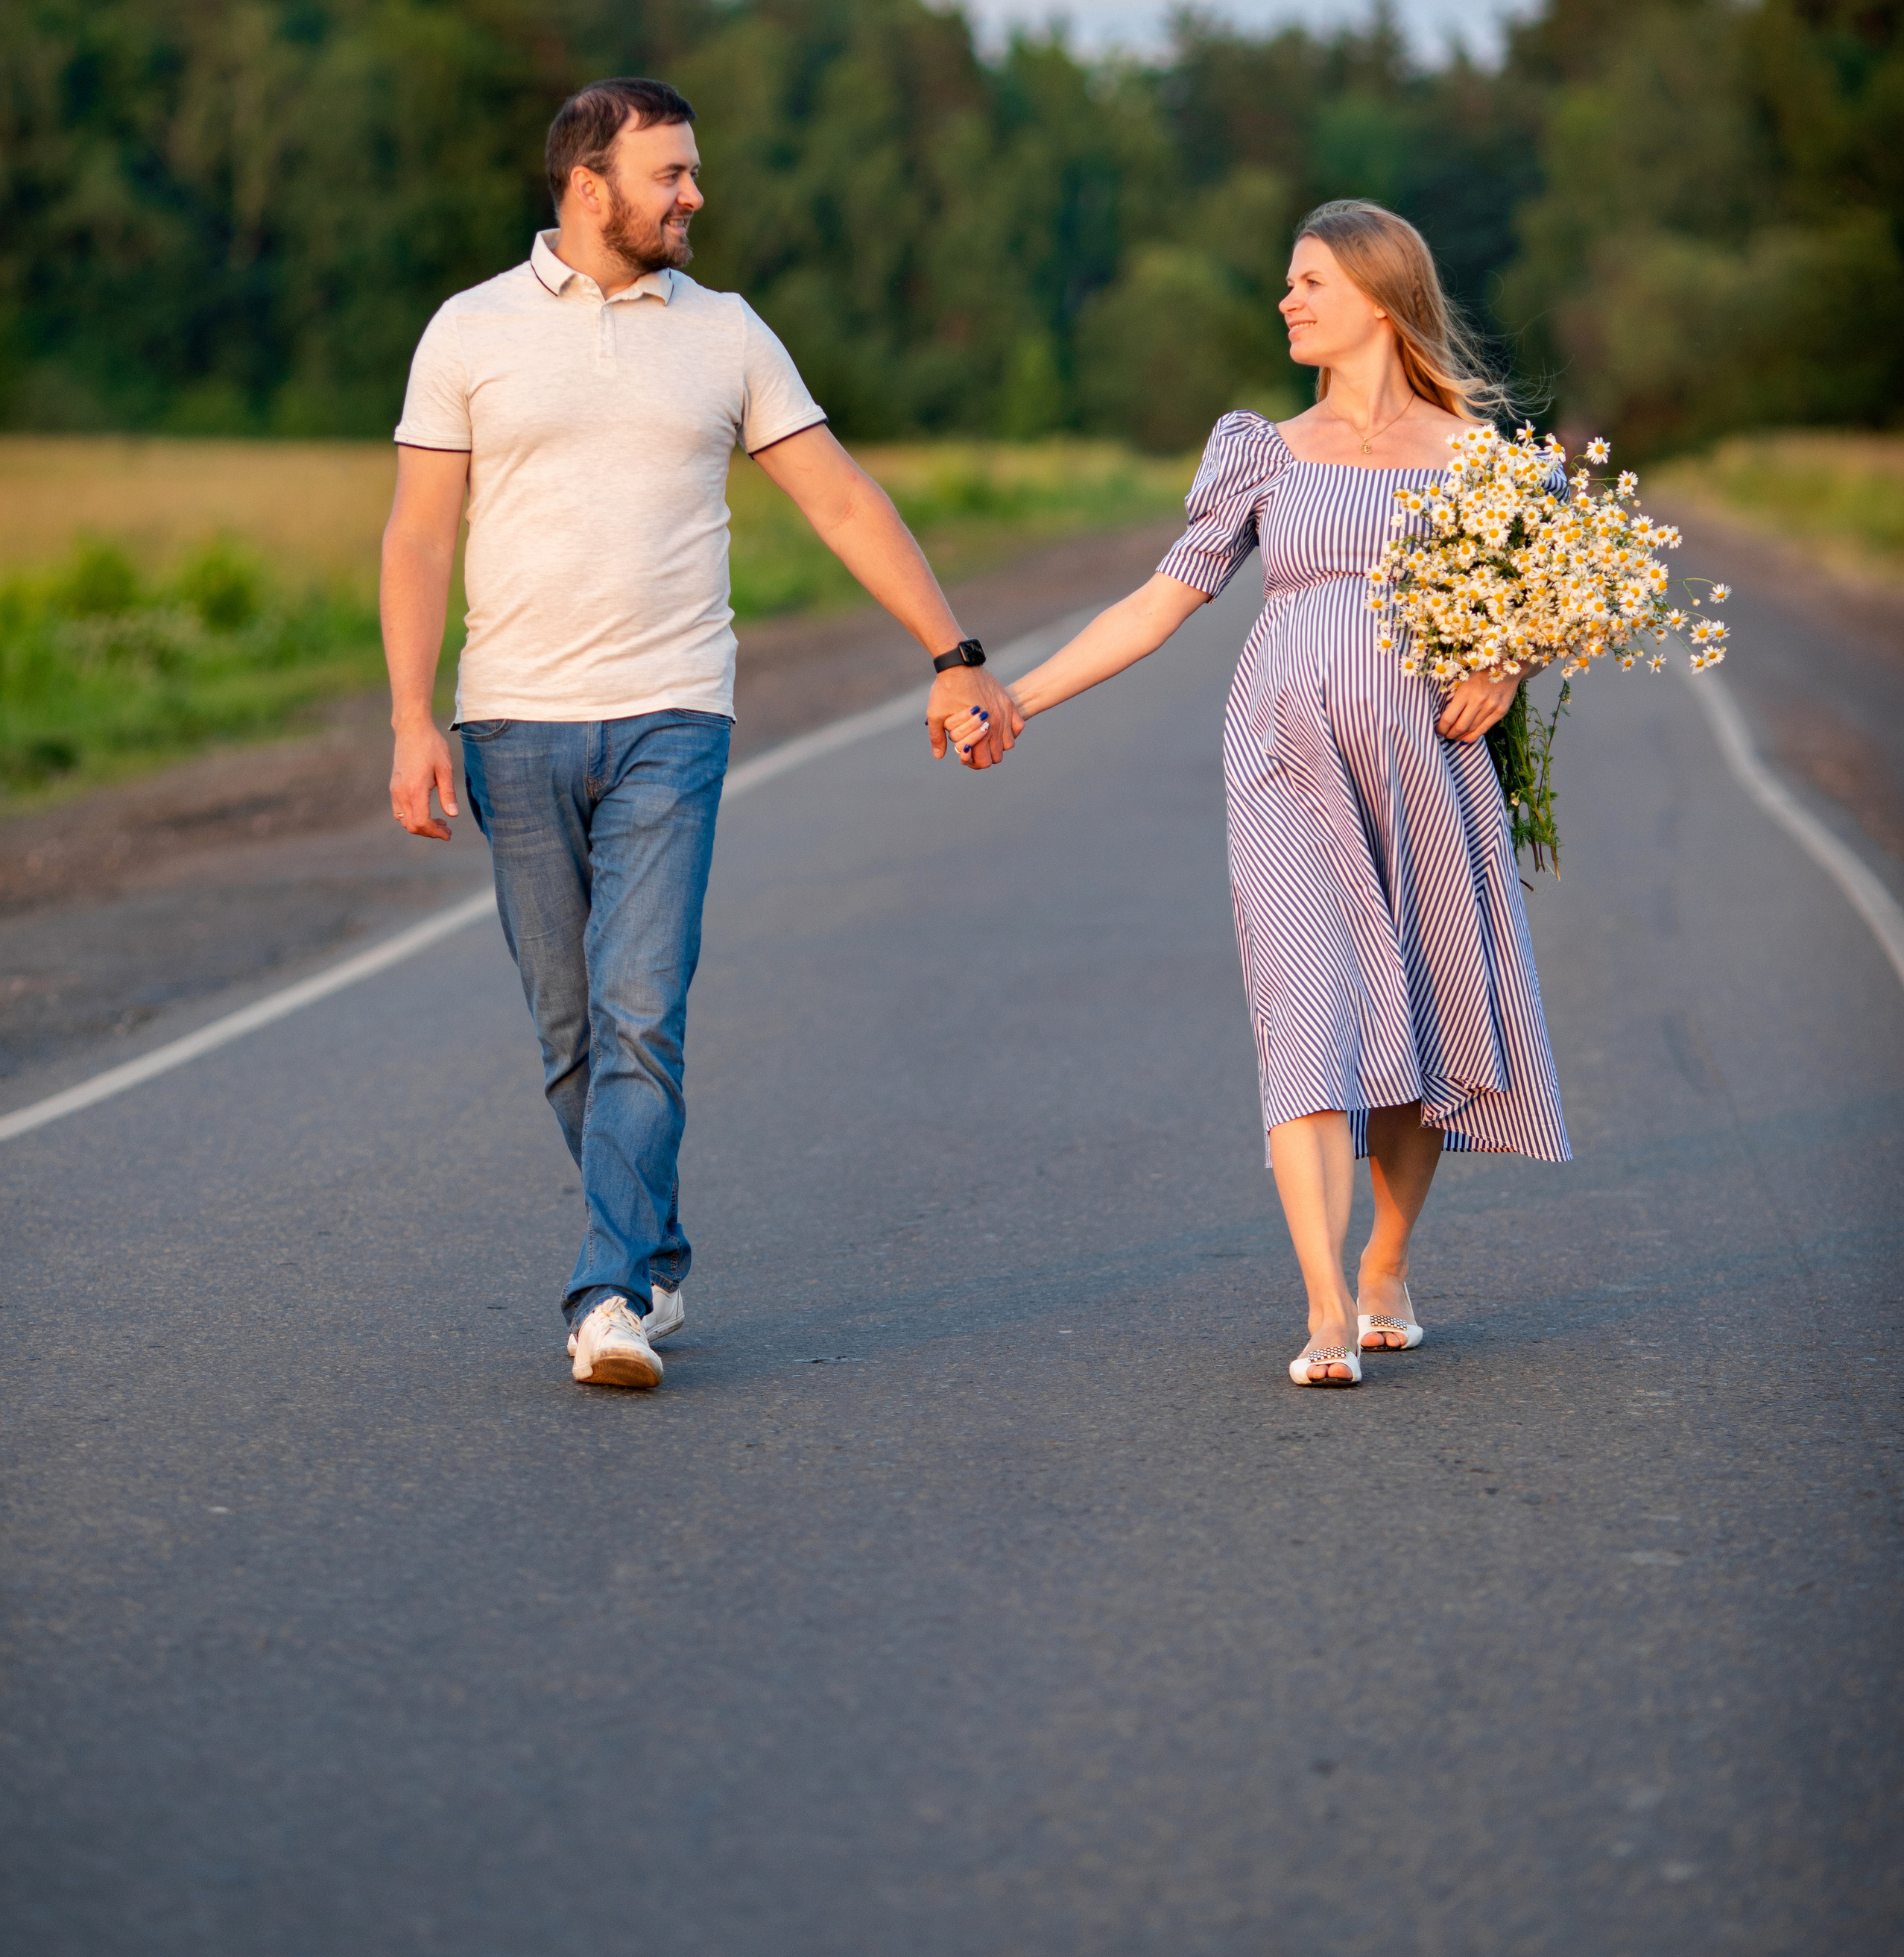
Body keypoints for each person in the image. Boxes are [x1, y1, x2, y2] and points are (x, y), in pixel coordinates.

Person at [381, 78, 1022, 1391]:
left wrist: (954, 655)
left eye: (691, 172)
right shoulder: (469, 331)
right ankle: (657, 1247)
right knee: (569, 1024)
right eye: (669, 174)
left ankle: (606, 1297)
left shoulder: (725, 332)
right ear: (587, 185)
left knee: (638, 1008)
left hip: (677, 714)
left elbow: (840, 500)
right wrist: (410, 715)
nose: (695, 196)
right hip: (513, 720)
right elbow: (418, 534)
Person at [1004, 200, 1569, 1388]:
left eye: (1308, 281)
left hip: (1426, 756)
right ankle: (1322, 1308)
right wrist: (1018, 699)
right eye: (1287, 282)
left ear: (1377, 295)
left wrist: (1505, 662)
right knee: (1306, 1009)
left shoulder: (1477, 455)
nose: (1287, 301)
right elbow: (1159, 604)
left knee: (1419, 1007)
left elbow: (1550, 596)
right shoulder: (1261, 447)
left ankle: (1386, 1265)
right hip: (1281, 754)